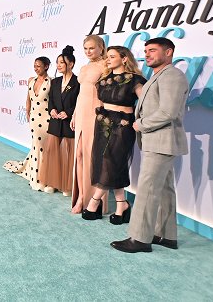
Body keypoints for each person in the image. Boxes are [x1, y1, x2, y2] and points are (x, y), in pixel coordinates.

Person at [111, 38, 189, 253]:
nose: (147, 54)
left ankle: (140, 239)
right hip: (157, 140)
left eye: (153, 50)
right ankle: (166, 235)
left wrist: (140, 124)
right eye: (146, 51)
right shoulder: (158, 75)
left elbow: (168, 112)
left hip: (161, 140)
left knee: (147, 189)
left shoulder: (173, 76)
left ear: (169, 52)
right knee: (164, 189)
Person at [81, 46, 146, 222]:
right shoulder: (104, 79)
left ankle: (94, 203)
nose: (107, 60)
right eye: (107, 57)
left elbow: (147, 104)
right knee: (107, 162)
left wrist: (141, 122)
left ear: (124, 59)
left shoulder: (135, 80)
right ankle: (121, 204)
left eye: (112, 56)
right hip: (103, 122)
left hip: (123, 125)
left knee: (111, 161)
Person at [70, 35, 107, 213]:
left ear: (101, 47)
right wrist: (74, 114)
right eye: (85, 48)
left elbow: (107, 93)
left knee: (92, 157)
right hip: (81, 112)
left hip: (96, 113)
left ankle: (90, 199)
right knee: (78, 155)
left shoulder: (106, 66)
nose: (88, 52)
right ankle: (80, 195)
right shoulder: (85, 67)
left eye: (92, 48)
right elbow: (81, 93)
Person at [3, 56, 51, 190]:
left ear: (46, 66)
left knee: (42, 147)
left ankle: (43, 176)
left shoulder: (51, 82)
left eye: (39, 66)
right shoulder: (31, 80)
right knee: (36, 145)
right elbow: (28, 98)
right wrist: (27, 111)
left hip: (46, 119)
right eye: (34, 66)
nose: (36, 68)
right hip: (34, 118)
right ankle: (36, 174)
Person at [38, 46, 79, 195]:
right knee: (52, 153)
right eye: (57, 63)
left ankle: (66, 185)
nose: (59, 65)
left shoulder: (78, 82)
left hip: (69, 123)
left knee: (67, 155)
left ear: (71, 64)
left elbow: (79, 103)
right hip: (55, 122)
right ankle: (52, 182)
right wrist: (52, 110)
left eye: (62, 62)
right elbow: (51, 101)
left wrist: (68, 113)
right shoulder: (55, 82)